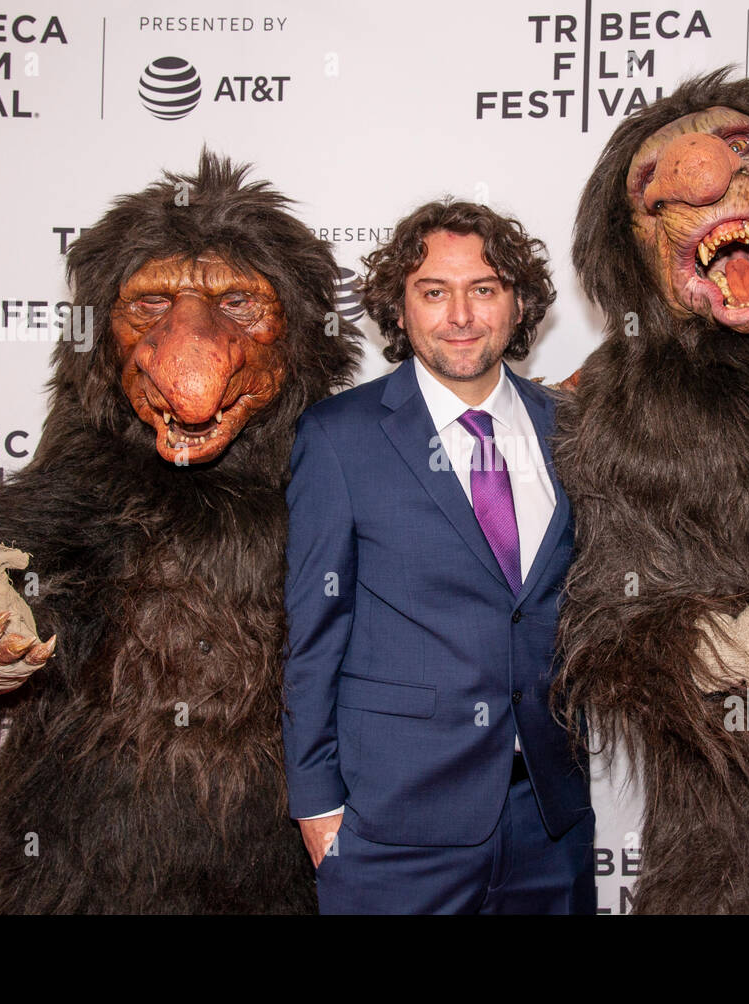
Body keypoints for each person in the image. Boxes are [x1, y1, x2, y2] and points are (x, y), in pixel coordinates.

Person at [281, 199, 595, 914]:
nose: (461, 315)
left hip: (550, 818)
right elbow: (311, 637)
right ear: (401, 308)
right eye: (434, 292)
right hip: (394, 827)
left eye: (484, 289)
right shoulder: (339, 438)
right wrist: (316, 805)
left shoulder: (572, 432)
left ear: (518, 305)